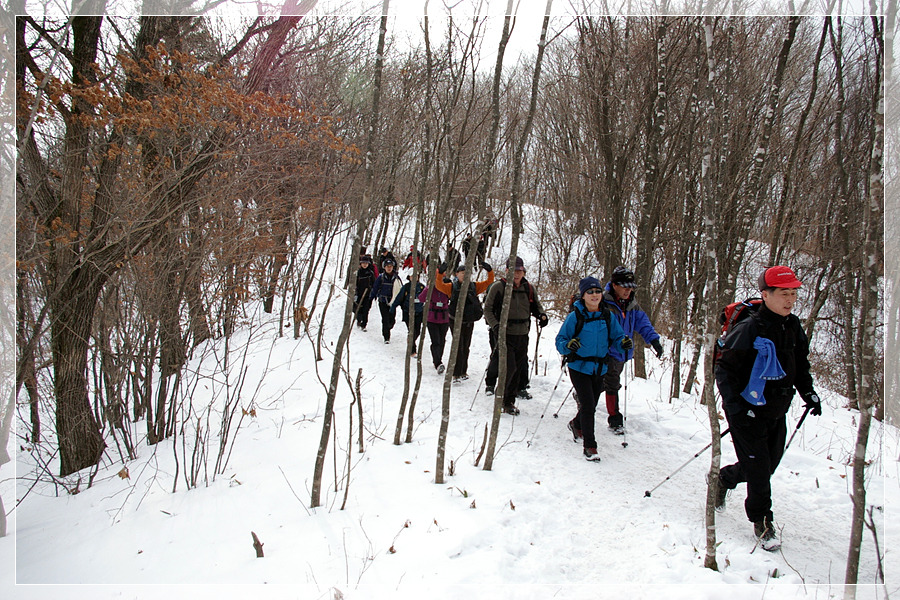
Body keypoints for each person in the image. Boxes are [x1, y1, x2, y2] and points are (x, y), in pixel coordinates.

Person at [714, 265, 821, 550]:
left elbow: (800, 365)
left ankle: (724, 479)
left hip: (777, 409)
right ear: (766, 294)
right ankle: (762, 521)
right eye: (783, 293)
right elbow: (724, 369)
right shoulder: (750, 328)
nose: (790, 299)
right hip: (747, 412)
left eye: (793, 293)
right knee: (759, 470)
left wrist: (808, 392)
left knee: (764, 467)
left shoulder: (793, 326)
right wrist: (734, 408)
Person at [556, 277, 629, 461]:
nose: (595, 295)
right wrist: (568, 345)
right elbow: (560, 340)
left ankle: (576, 424)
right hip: (579, 367)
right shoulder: (575, 316)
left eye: (597, 291)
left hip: (600, 367)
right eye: (590, 292)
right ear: (583, 295)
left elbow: (618, 337)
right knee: (588, 405)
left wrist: (624, 343)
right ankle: (590, 446)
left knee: (591, 404)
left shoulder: (607, 315)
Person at [600, 266, 664, 434]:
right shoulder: (603, 302)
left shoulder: (632, 304)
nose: (628, 290)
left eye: (631, 287)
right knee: (611, 384)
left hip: (621, 353)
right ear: (614, 285)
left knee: (602, 384)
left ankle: (584, 397)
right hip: (605, 353)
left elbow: (642, 323)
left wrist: (654, 341)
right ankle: (615, 420)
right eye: (625, 286)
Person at [483, 257, 548, 415]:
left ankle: (509, 401)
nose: (517, 274)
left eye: (519, 270)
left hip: (523, 333)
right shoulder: (498, 287)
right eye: (513, 270)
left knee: (517, 368)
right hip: (504, 334)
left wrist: (542, 316)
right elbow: (488, 309)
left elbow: (536, 306)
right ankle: (502, 398)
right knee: (509, 367)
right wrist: (496, 325)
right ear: (507, 270)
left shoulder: (529, 288)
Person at [435, 262, 494, 382]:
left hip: (469, 321)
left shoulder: (473, 286)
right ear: (457, 274)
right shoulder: (452, 287)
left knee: (466, 346)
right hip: (455, 321)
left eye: (467, 273)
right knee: (458, 346)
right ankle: (455, 373)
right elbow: (439, 285)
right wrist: (440, 273)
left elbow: (489, 283)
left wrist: (490, 271)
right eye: (462, 273)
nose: (465, 275)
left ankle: (463, 371)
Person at [419, 282, 451, 373]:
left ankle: (438, 359)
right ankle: (438, 363)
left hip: (444, 319)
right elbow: (421, 299)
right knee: (435, 341)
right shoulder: (430, 289)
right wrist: (428, 288)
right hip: (432, 319)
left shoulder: (446, 288)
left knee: (442, 341)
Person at [391, 274, 425, 355]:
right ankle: (412, 350)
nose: (414, 278)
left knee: (417, 331)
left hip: (419, 312)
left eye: (416, 276)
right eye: (412, 276)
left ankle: (410, 341)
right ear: (409, 277)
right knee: (411, 331)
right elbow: (399, 298)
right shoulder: (406, 287)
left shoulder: (421, 287)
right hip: (408, 312)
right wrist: (393, 307)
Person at [370, 258, 402, 343]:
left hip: (392, 302)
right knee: (385, 319)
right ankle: (386, 337)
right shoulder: (381, 278)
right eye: (387, 266)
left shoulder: (396, 278)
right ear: (384, 267)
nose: (389, 268)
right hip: (383, 301)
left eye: (390, 266)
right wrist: (371, 297)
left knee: (392, 320)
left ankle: (389, 327)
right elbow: (375, 288)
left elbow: (400, 289)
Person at [353, 255, 377, 330]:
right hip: (359, 294)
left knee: (366, 309)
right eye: (363, 263)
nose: (365, 265)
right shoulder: (358, 273)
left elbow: (374, 284)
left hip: (368, 295)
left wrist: (374, 293)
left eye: (366, 263)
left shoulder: (370, 273)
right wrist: (355, 293)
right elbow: (354, 284)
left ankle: (364, 324)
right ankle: (359, 320)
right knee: (359, 308)